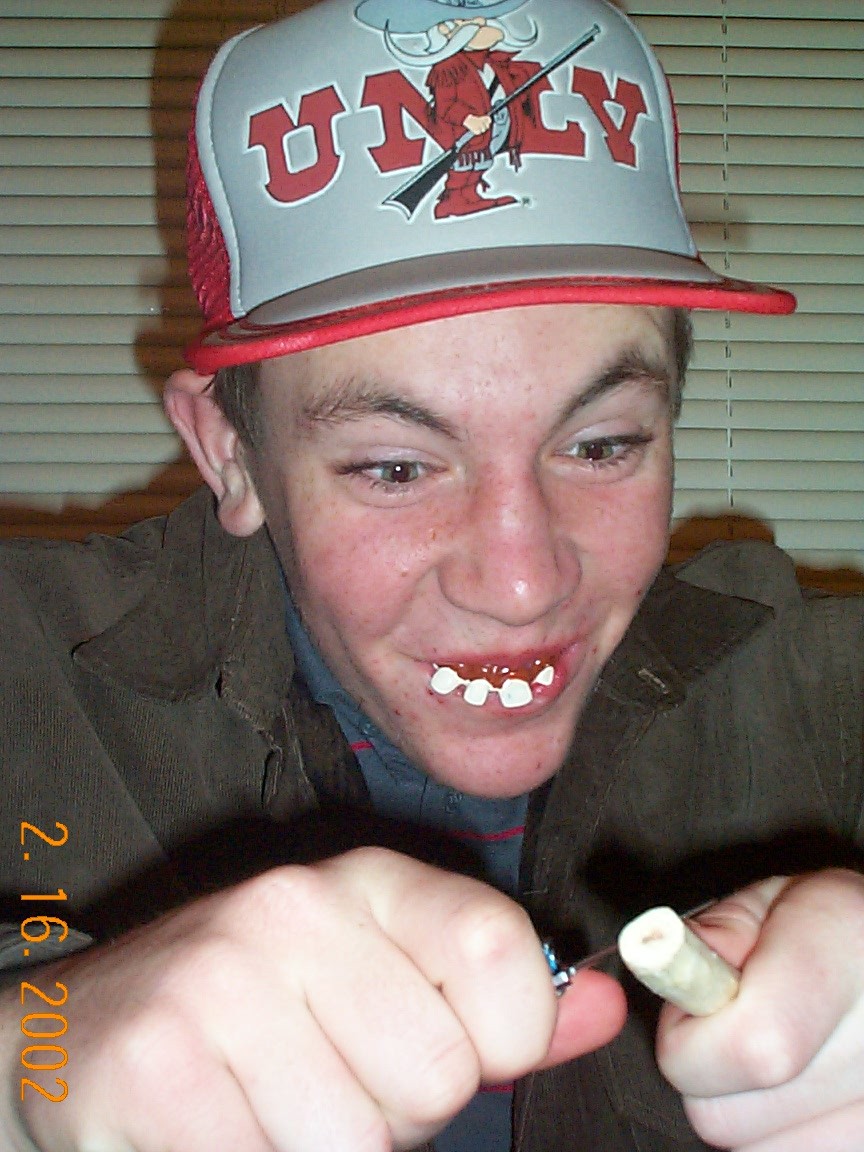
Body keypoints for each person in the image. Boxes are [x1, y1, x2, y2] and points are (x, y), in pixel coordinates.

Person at [1, 1, 862, 1149]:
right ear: (229, 453)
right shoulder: (20, 674)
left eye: (602, 445)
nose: (522, 583)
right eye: (397, 467)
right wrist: (23, 1068)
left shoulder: (823, 696)